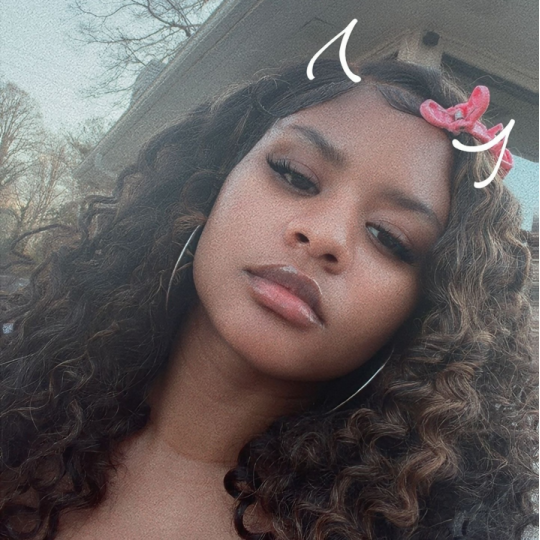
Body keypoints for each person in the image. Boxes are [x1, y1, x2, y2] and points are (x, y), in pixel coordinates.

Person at [0, 59, 537, 540]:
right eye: (295, 175)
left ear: (424, 317)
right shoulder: (18, 408)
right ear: (213, 182)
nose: (325, 235)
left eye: (390, 238)